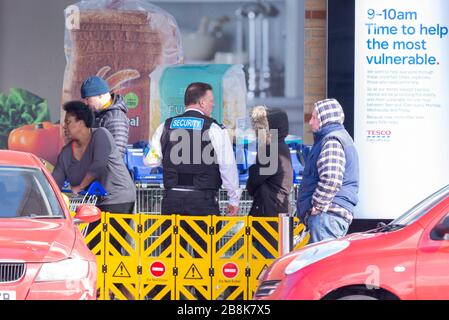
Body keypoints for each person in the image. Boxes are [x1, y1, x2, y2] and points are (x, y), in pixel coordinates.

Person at [144, 82, 241, 273]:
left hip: (172, 201)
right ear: (202, 102)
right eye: (211, 101)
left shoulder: (166, 125)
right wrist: (233, 199)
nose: (213, 105)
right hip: (202, 202)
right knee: (205, 258)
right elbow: (227, 167)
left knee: (171, 258)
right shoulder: (214, 129)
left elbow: (150, 161)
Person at [52, 101, 136, 251]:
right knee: (95, 246)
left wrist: (79, 186)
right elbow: (55, 180)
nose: (64, 127)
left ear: (82, 122)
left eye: (68, 122)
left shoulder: (101, 135)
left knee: (107, 248)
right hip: (98, 200)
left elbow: (98, 165)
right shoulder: (66, 152)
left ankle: (111, 273)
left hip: (118, 197)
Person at [297, 98, 359, 244]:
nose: (310, 122)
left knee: (320, 264)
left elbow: (331, 179)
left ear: (325, 119)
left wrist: (316, 206)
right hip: (329, 216)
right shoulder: (339, 138)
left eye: (314, 117)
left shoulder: (332, 140)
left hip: (326, 216)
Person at [246, 106, 293, 257]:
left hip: (267, 217)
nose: (255, 132)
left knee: (265, 264)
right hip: (276, 214)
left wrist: (253, 168)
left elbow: (252, 183)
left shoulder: (270, 151)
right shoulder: (281, 147)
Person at [80, 75, 130, 157]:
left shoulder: (115, 118)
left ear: (100, 95)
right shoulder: (98, 114)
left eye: (88, 98)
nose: (86, 103)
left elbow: (116, 155)